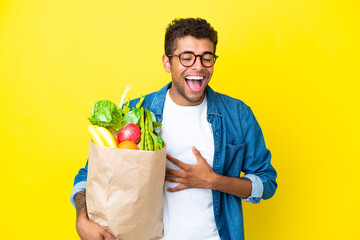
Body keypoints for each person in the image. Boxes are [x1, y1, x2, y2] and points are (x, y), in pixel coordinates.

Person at [70, 18, 277, 240]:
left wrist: (214, 181)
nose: (198, 66)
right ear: (167, 63)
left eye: (207, 58)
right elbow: (89, 175)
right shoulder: (136, 114)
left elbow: (267, 183)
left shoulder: (237, 115)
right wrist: (82, 218)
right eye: (186, 57)